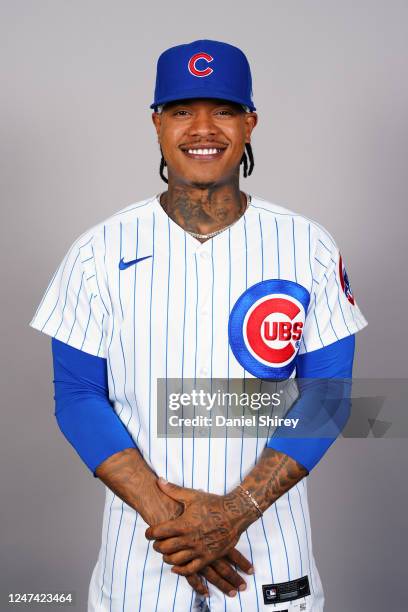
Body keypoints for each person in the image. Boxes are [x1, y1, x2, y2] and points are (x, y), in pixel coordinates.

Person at [30, 40, 367, 612]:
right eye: (183, 110)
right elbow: (79, 396)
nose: (203, 128)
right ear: (157, 123)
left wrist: (235, 513)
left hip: (268, 547)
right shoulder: (98, 250)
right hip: (146, 548)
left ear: (250, 123)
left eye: (224, 110)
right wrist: (177, 522)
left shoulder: (306, 244)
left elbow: (328, 395)